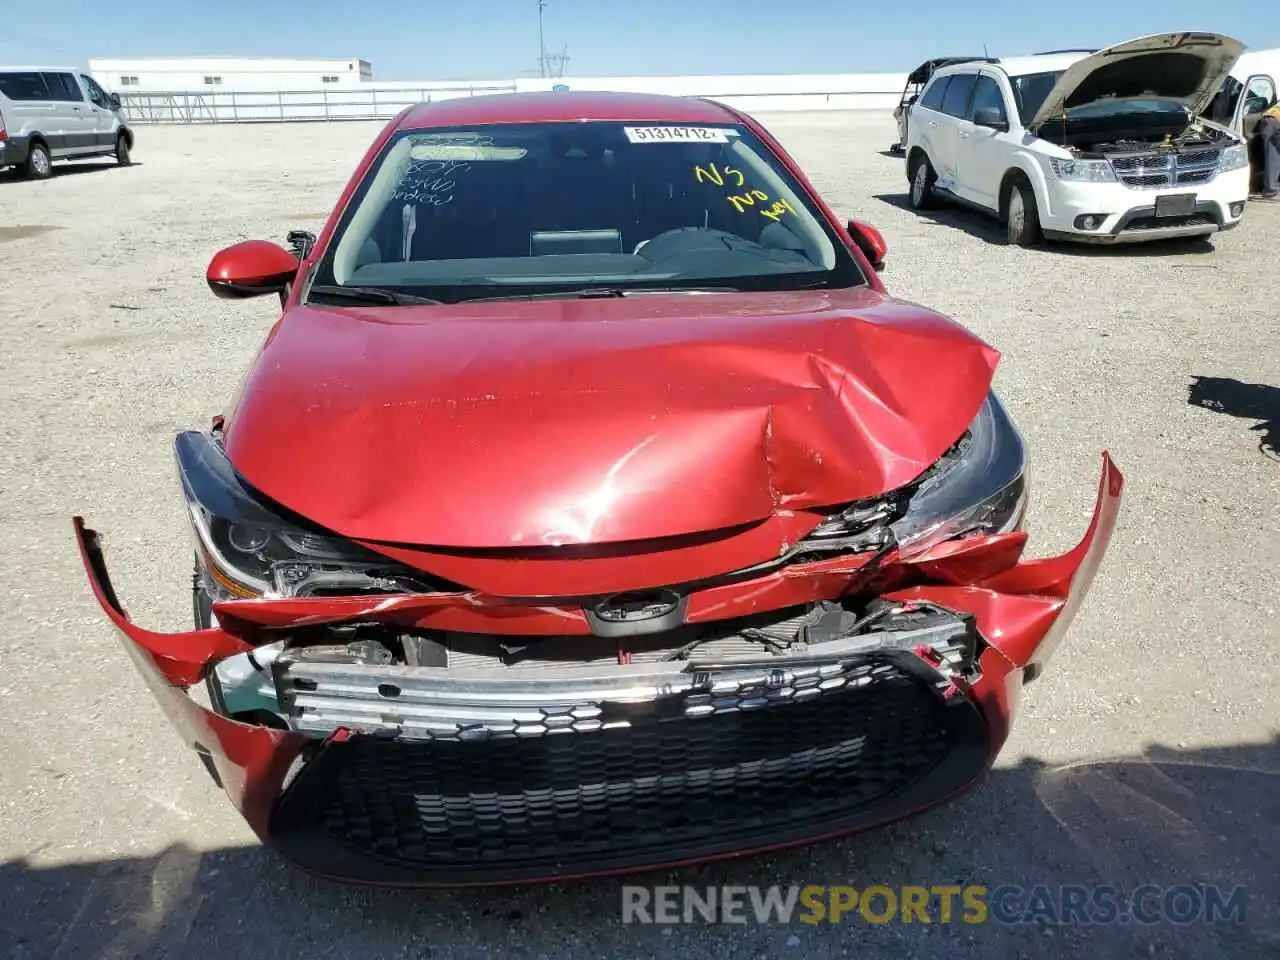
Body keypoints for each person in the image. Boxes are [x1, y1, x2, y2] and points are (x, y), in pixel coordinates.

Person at [1256, 98, 1280, 201]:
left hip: (1269, 120)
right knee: (1274, 158)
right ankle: (1270, 191)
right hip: (1274, 122)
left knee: (1273, 157)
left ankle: (1271, 189)